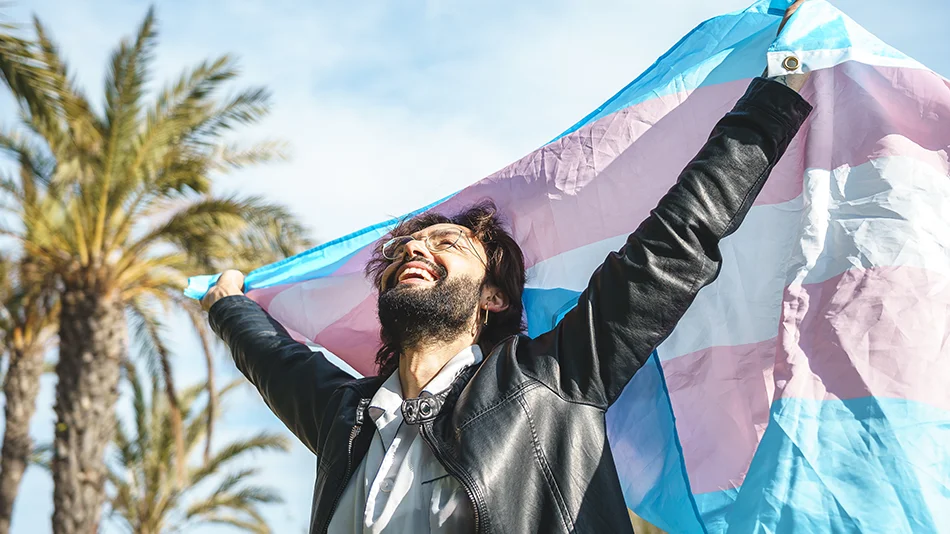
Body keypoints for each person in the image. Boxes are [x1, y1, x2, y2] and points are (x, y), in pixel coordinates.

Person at [201, 2, 813, 532]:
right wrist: (227, 304)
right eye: (403, 252)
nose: (415, 251)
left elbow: (675, 240)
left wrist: (779, 93)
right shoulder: (347, 420)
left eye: (448, 244)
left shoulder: (551, 378)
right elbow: (274, 358)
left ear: (492, 296)